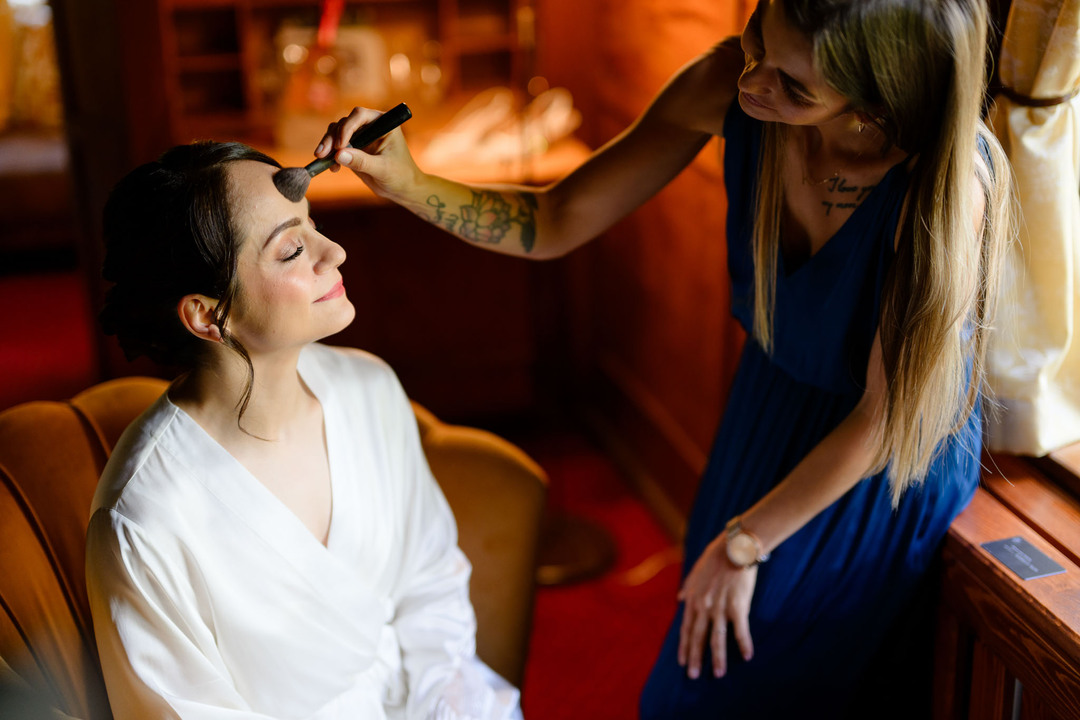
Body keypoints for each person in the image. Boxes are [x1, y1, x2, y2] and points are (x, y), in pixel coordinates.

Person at [314, 0, 1014, 716]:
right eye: (755, 46)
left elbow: (888, 414)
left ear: (875, 98)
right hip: (765, 414)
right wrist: (407, 181)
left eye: (794, 87)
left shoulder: (948, 182)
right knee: (701, 673)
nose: (753, 85)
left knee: (759, 683)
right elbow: (556, 221)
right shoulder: (728, 83)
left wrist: (743, 543)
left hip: (875, 461)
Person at [86, 142, 523, 720]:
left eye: (313, 226)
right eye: (292, 248)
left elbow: (431, 586)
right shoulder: (144, 519)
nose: (335, 251)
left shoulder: (370, 390)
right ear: (207, 315)